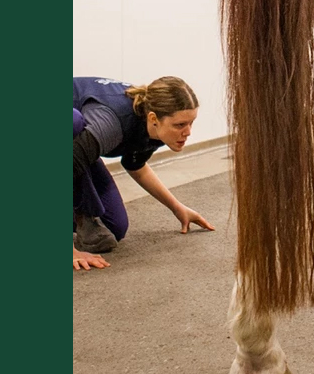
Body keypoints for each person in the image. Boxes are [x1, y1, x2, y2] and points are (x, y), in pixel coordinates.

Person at [73, 76, 215, 270]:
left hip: (77, 150)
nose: (188, 132)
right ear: (154, 119)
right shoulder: (111, 123)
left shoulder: (151, 128)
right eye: (180, 125)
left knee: (115, 227)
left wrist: (177, 207)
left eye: (191, 123)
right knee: (74, 122)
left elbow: (136, 166)